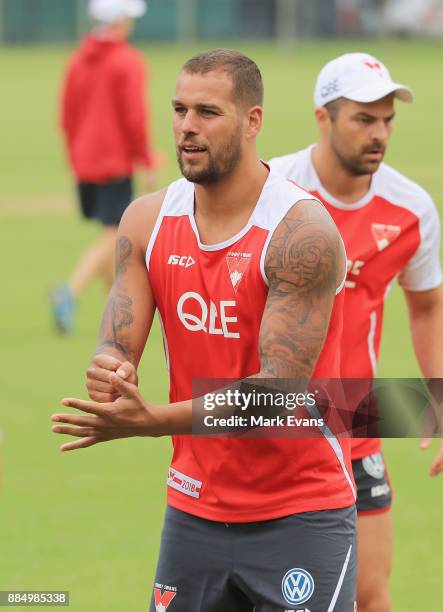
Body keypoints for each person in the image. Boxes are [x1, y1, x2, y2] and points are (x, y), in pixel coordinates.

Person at [52, 49, 358, 611]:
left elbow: (276, 395)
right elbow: (117, 340)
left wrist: (152, 422)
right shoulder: (146, 220)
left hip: (300, 512)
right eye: (179, 110)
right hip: (193, 511)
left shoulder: (300, 232)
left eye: (208, 112)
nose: (188, 126)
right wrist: (111, 369)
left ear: (252, 121)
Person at [269, 52, 443, 612]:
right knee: (260, 592)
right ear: (323, 117)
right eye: (363, 119)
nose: (380, 133)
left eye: (387, 119)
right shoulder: (270, 192)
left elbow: (427, 308)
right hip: (268, 416)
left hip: (353, 417)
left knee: (370, 595)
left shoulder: (411, 209)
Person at [51, 0, 156, 333]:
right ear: (121, 20)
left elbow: (66, 116)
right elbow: (133, 116)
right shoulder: (127, 61)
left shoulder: (77, 60)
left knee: (111, 235)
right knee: (114, 236)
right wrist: (145, 158)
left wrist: (75, 155)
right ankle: (70, 291)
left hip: (85, 161)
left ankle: (118, 311)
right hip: (115, 162)